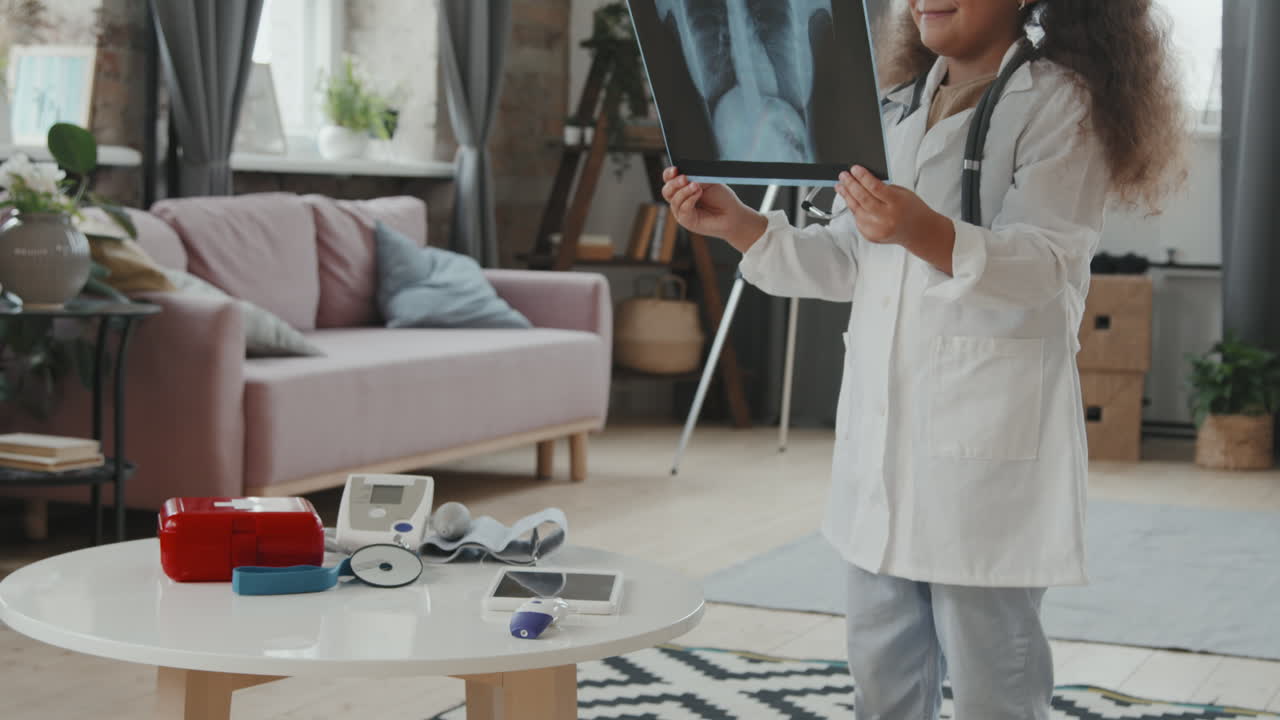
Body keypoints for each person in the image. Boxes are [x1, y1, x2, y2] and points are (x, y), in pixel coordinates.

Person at [661, 0, 1185, 717]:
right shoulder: (894, 106)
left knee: (991, 674)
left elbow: (1048, 262)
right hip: (883, 442)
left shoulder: (1062, 102)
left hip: (985, 445)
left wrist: (924, 230)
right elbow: (849, 261)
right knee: (880, 668)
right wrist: (746, 228)